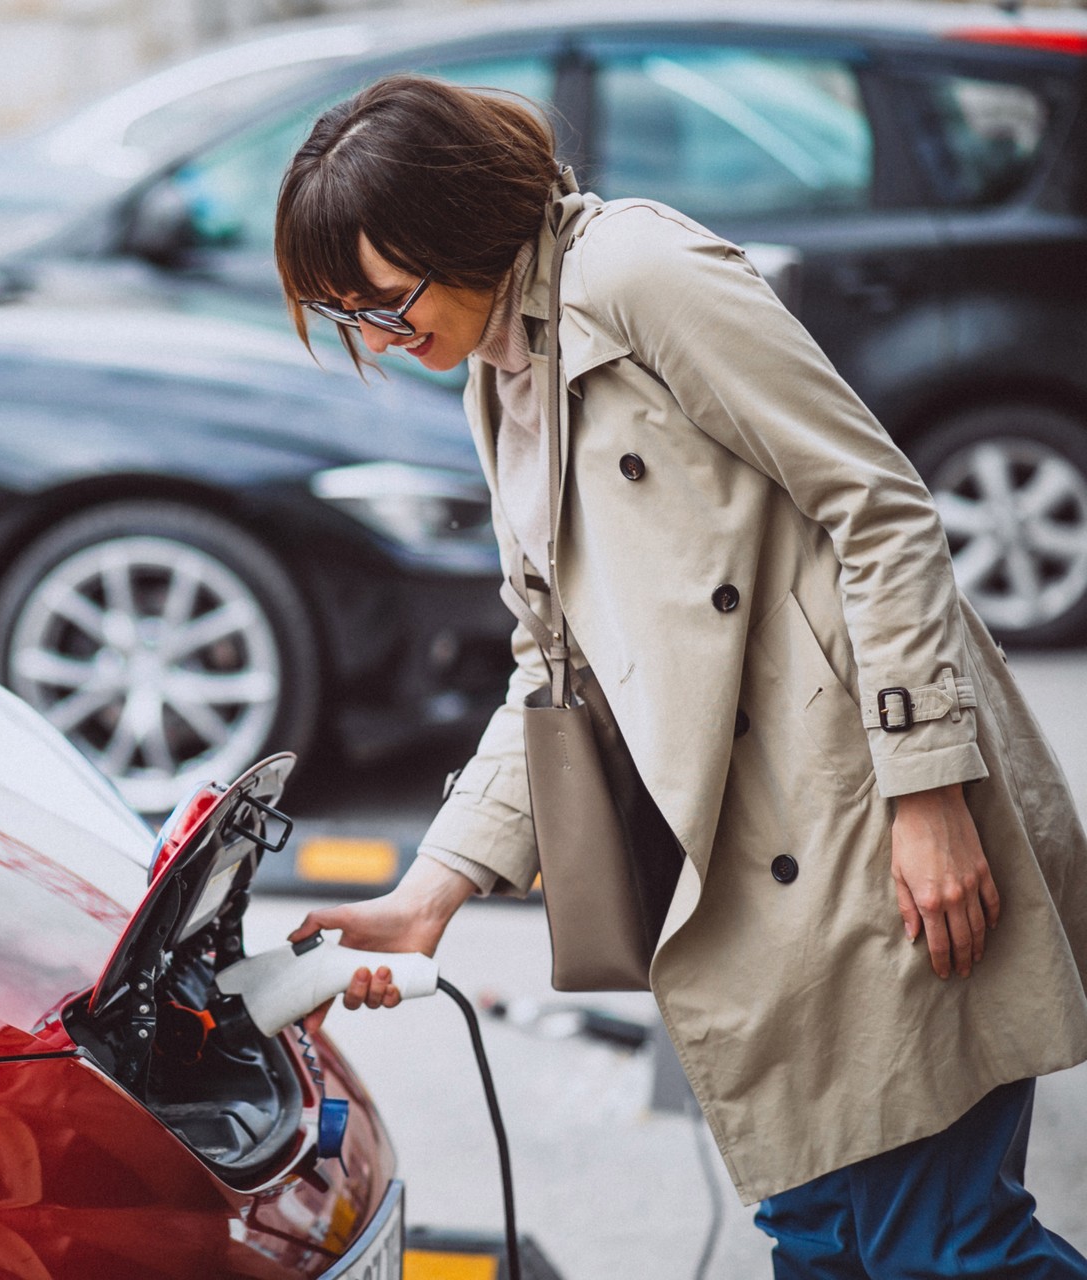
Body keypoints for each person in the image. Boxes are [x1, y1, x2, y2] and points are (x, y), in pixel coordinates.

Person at [273, 74, 1087, 1276]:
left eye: (385, 303)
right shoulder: (501, 381)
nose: (380, 341)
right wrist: (429, 892)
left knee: (941, 1247)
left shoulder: (637, 274)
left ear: (461, 227)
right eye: (348, 318)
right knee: (820, 1241)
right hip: (752, 883)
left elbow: (880, 507)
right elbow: (552, 665)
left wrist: (930, 789)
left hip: (869, 823)